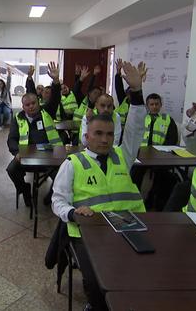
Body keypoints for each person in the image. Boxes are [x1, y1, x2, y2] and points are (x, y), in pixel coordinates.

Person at [51, 60, 147, 311]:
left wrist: (136, 93)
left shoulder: (122, 157)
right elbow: (58, 201)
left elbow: (136, 129)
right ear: (86, 136)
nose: (104, 139)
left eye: (109, 134)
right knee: (97, 279)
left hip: (130, 225)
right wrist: (72, 212)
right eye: (98, 134)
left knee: (145, 270)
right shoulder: (73, 164)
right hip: (88, 233)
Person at [7, 62, 61, 206]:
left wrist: (56, 81)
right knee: (11, 170)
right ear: (23, 106)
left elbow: (55, 98)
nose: (31, 106)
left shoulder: (47, 111)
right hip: (27, 157)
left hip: (50, 156)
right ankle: (25, 190)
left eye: (34, 103)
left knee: (62, 175)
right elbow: (11, 139)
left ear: (38, 102)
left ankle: (51, 196)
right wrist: (16, 153)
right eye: (27, 104)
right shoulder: (18, 118)